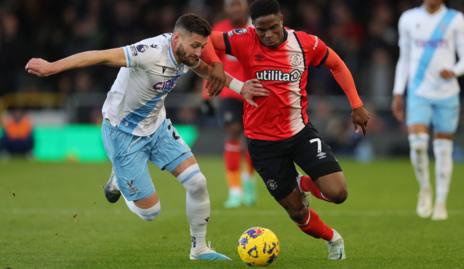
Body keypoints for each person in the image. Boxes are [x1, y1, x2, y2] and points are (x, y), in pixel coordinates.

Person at [25, 13, 267, 261]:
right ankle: (118, 177)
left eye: (202, 46)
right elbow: (99, 55)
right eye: (195, 45)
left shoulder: (187, 54)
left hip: (158, 127)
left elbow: (205, 70)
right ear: (176, 39)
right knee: (151, 212)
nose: (199, 51)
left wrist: (240, 86)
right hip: (123, 134)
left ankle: (200, 248)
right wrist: (51, 67)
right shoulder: (149, 51)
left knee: (198, 183)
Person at [207, 0, 370, 260]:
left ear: (282, 19)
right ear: (254, 27)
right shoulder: (243, 39)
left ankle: (302, 182)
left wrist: (356, 104)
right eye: (261, 30)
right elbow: (201, 39)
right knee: (296, 211)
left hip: (299, 134)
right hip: (262, 144)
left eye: (273, 27)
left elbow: (336, 64)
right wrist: (217, 65)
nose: (268, 34)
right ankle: (332, 238)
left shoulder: (306, 43)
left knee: (338, 193)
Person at [391, 0, 464, 220]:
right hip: (418, 92)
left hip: (447, 94)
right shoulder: (408, 19)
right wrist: (398, 92)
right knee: (417, 145)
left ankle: (441, 202)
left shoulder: (455, 19)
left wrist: (453, 70)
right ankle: (425, 188)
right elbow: (404, 58)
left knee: (444, 150)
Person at [202, 0, 256, 208]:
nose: (235, 8)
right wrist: (206, 95)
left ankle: (249, 182)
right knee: (233, 132)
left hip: (254, 90)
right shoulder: (219, 30)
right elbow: (210, 65)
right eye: (231, 5)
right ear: (226, 8)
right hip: (230, 91)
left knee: (253, 139)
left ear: (246, 6)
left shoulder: (256, 28)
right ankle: (235, 191)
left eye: (238, 4)